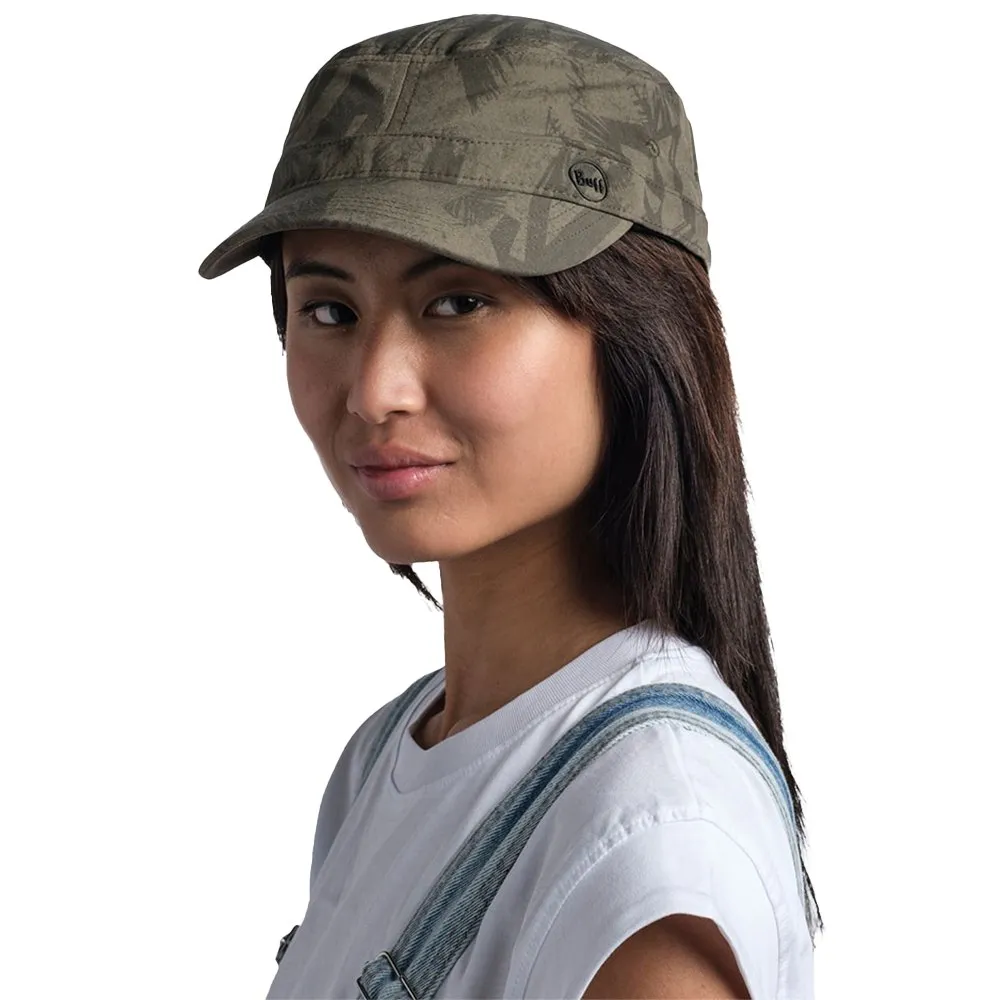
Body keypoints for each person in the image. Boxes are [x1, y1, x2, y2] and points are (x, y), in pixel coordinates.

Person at [199, 13, 822, 999]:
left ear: (638, 334)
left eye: (457, 302)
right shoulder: (388, 757)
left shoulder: (650, 840)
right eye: (330, 310)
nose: (373, 390)